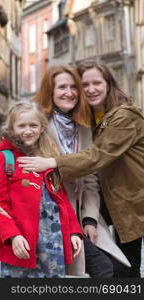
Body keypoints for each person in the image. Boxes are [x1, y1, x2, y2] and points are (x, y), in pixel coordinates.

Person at [0, 64, 130, 278]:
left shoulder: (84, 127)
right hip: (45, 216)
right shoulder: (35, 125)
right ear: (50, 91)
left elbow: (89, 181)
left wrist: (89, 220)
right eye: (62, 87)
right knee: (98, 269)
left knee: (116, 268)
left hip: (73, 216)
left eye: (73, 87)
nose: (69, 93)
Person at [19, 60, 144, 278]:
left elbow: (96, 159)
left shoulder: (120, 117)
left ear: (109, 83)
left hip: (126, 203)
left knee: (123, 269)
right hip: (55, 213)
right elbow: (0, 157)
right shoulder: (41, 122)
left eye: (96, 83)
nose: (89, 89)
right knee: (112, 270)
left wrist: (53, 162)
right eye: (84, 84)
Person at [0, 100, 83, 278]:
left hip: (53, 243)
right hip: (22, 241)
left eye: (33, 125)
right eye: (22, 126)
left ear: (42, 127)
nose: (28, 130)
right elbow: (0, 204)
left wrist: (74, 231)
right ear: (11, 129)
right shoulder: (5, 158)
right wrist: (13, 236)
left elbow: (61, 198)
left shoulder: (47, 157)